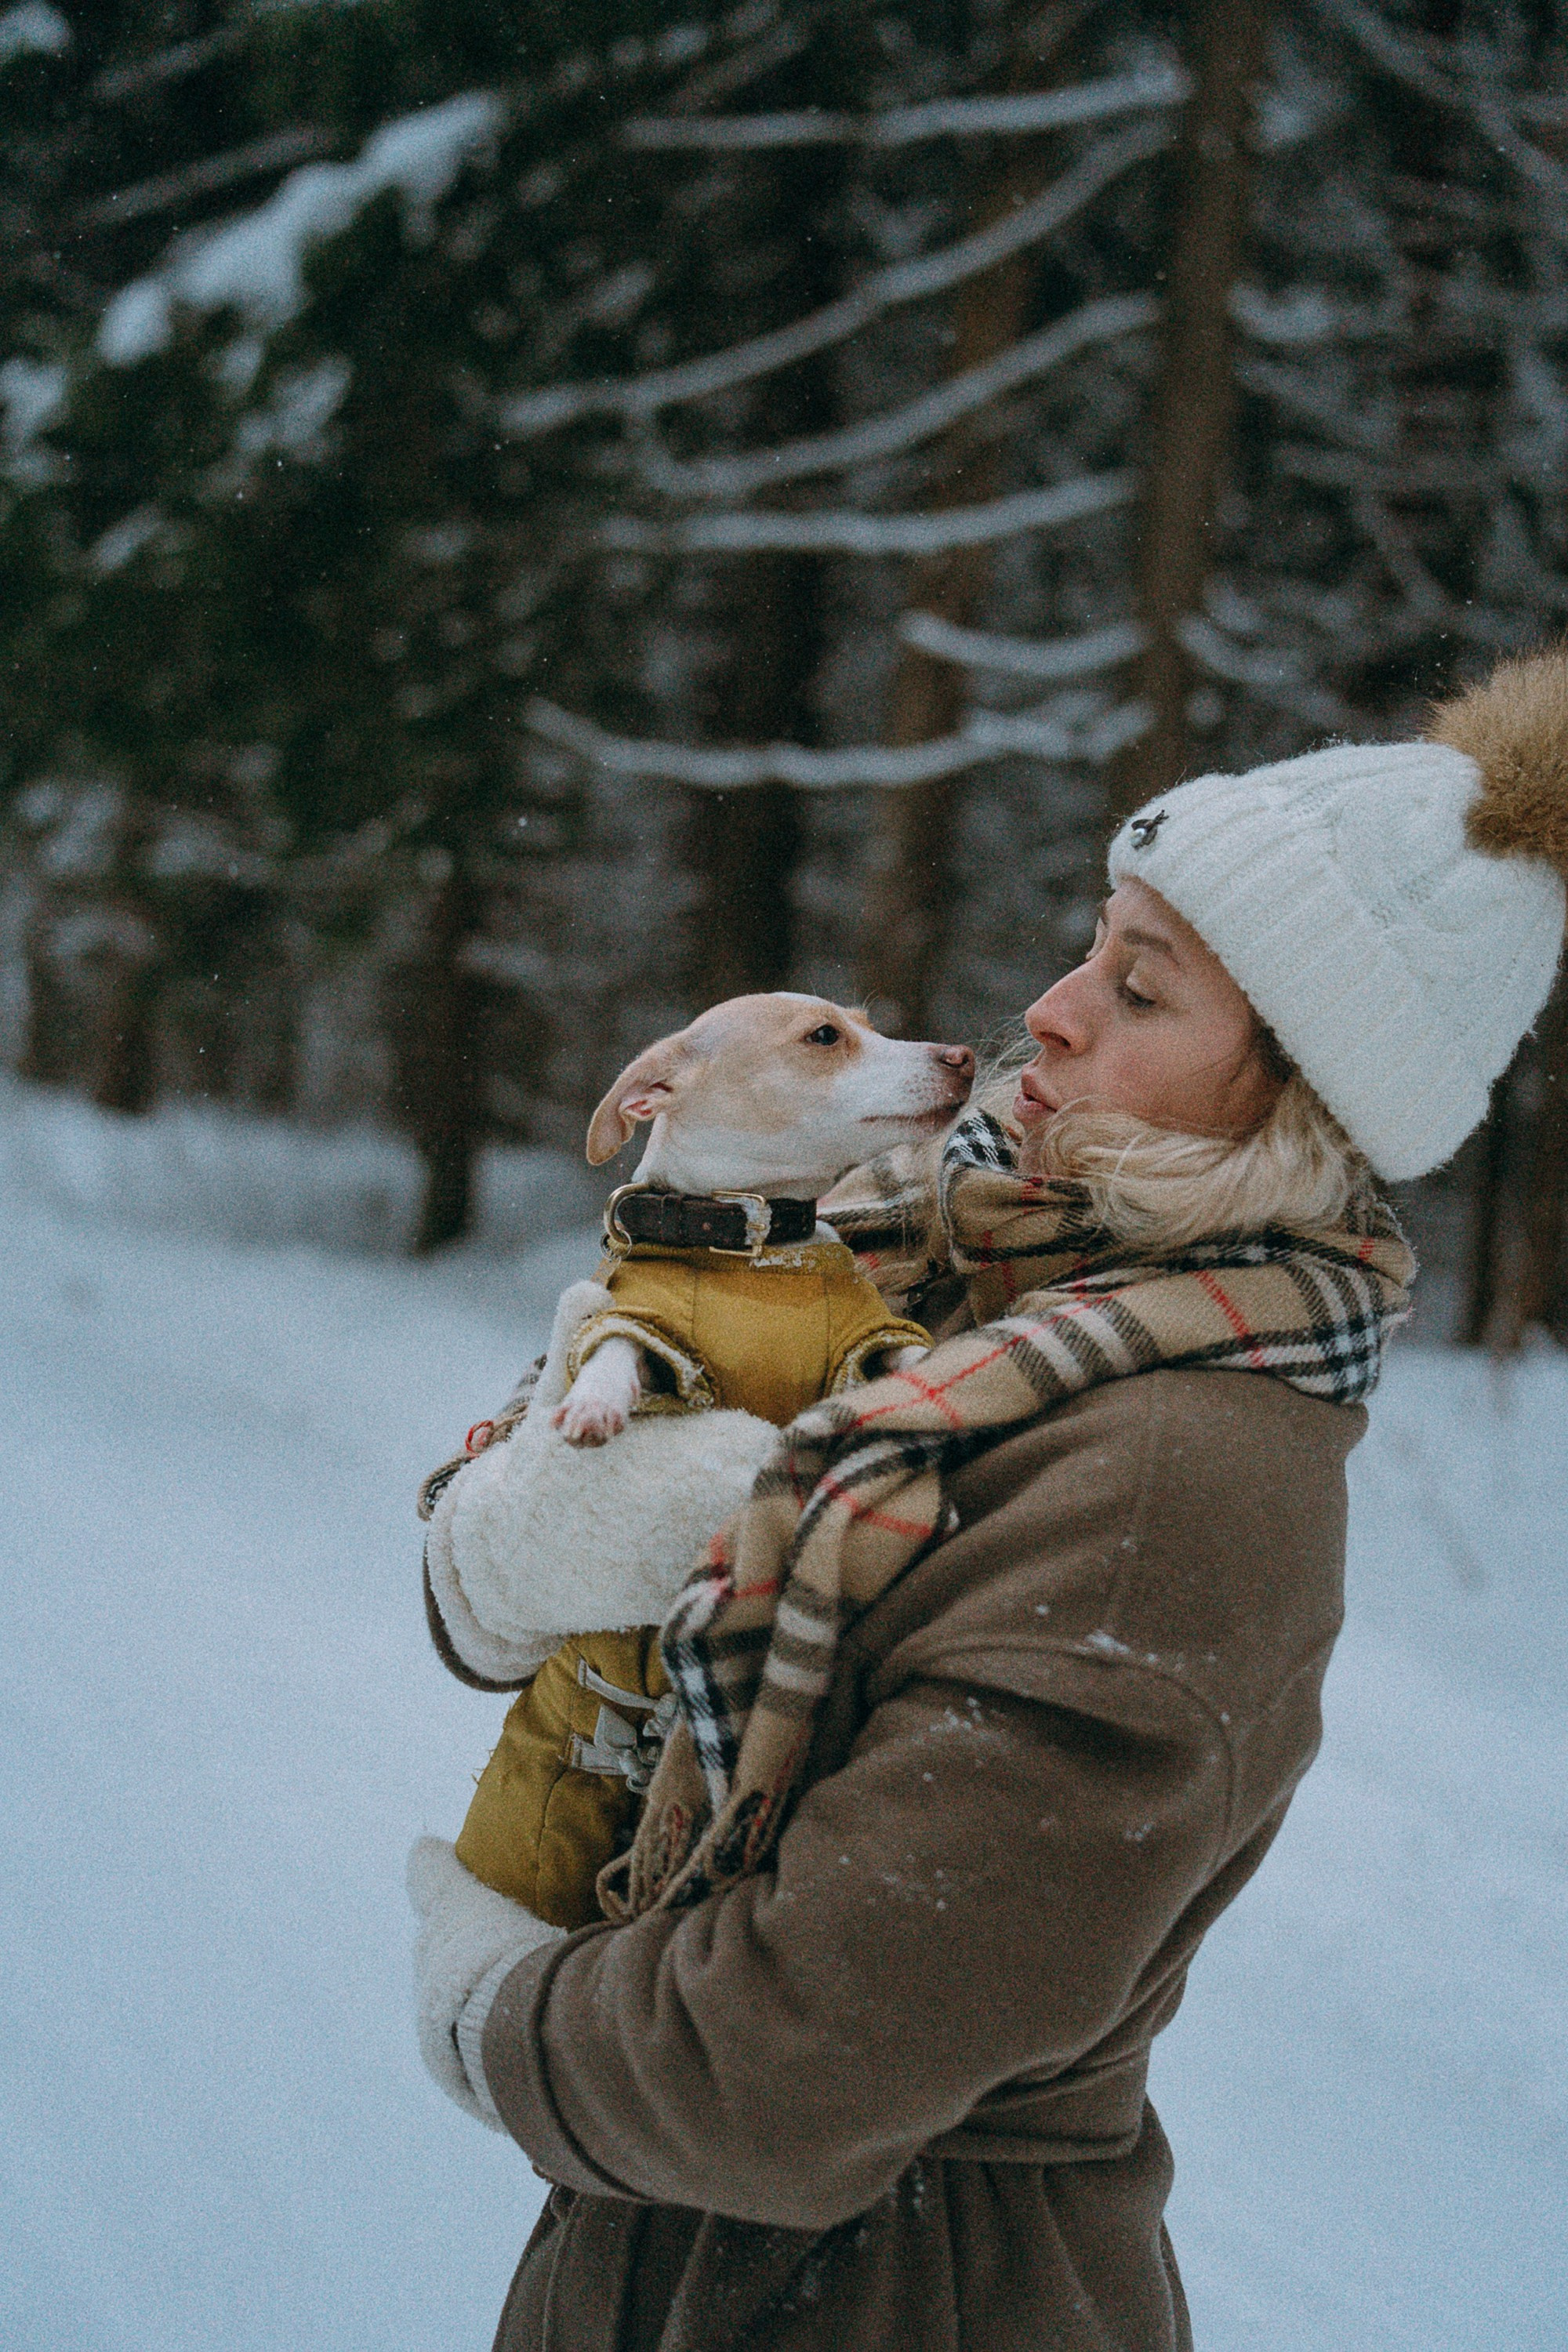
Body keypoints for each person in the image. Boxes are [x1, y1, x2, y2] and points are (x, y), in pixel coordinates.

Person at [410, 647, 1568, 2351]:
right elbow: (499, 1509)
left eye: (1142, 991)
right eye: (1095, 942)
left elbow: (779, 2071)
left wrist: (488, 2009)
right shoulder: (910, 1250)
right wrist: (510, 1545)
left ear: (1294, 1098)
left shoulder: (1175, 1479)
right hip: (671, 2267)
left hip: (895, 2292)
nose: (1055, 1006)